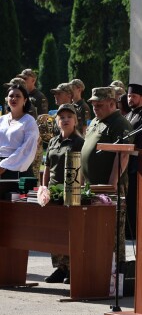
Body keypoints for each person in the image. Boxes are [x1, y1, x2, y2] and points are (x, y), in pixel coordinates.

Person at [81, 87, 133, 263]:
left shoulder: (120, 123)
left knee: (112, 232)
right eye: (94, 105)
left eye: (100, 105)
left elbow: (123, 155)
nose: (95, 108)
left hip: (110, 187)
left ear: (112, 103)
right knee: (93, 230)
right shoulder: (95, 121)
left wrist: (112, 184)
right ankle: (95, 269)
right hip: (91, 186)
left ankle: (115, 272)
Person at [41, 103, 84, 284]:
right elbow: (47, 167)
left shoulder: (79, 142)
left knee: (69, 232)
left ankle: (72, 269)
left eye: (69, 117)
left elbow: (82, 169)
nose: (65, 120)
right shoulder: (53, 141)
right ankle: (60, 268)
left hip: (70, 193)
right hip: (52, 192)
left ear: (75, 121)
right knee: (54, 232)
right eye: (61, 117)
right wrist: (43, 188)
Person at [0, 83, 39, 179]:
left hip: (17, 167)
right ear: (6, 99)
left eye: (18, 96)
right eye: (11, 96)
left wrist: (4, 165)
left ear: (25, 100)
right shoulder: (2, 120)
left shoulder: (29, 121)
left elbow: (27, 148)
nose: (14, 98)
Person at [125, 83, 142, 237]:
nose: (130, 99)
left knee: (134, 199)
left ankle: (133, 232)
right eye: (128, 96)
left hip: (137, 163)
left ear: (141, 98)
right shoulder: (128, 115)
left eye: (133, 96)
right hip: (126, 162)